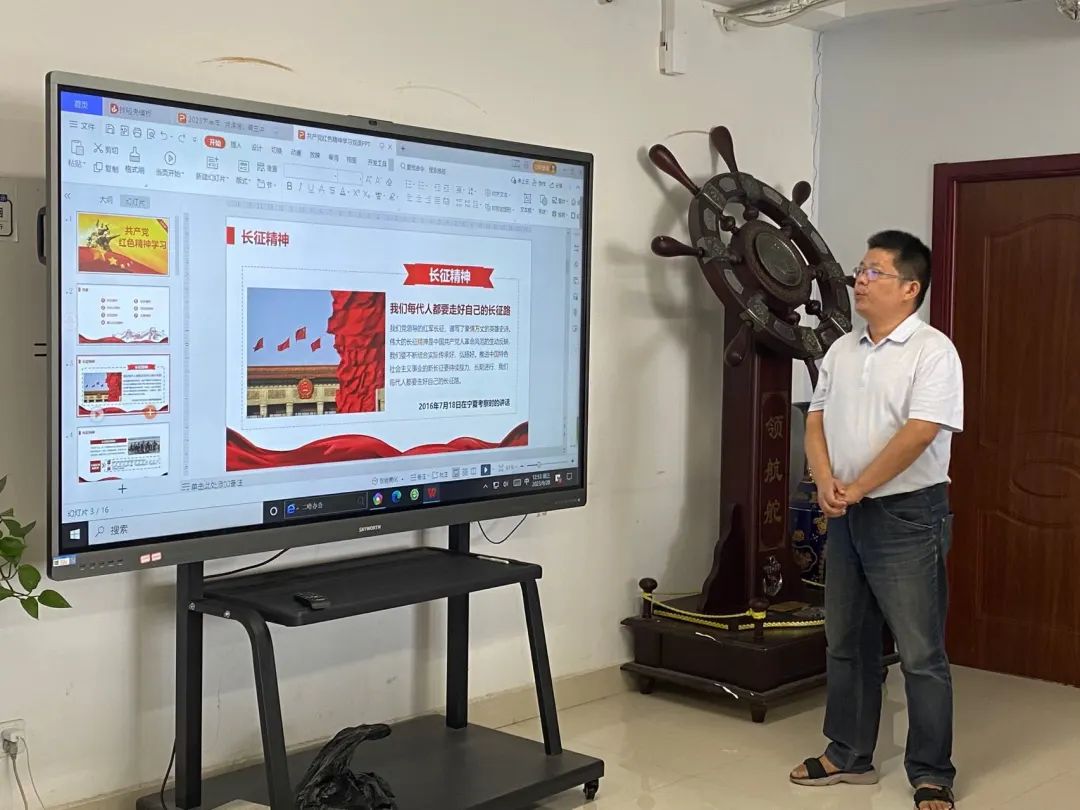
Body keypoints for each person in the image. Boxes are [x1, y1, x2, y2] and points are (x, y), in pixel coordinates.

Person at [788, 231, 964, 810]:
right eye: (860, 270)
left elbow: (921, 432)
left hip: (907, 515)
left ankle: (931, 772)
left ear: (910, 288)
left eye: (874, 272)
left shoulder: (932, 351)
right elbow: (815, 417)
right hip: (845, 511)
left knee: (920, 652)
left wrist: (859, 486)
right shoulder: (843, 349)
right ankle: (848, 754)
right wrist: (823, 480)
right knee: (845, 640)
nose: (859, 280)